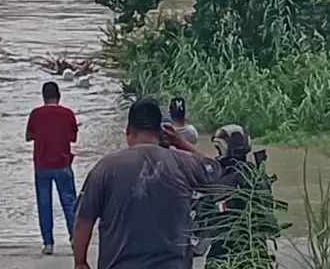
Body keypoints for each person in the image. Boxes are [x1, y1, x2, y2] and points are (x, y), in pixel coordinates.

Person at [72, 98, 221, 269]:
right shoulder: (182, 163)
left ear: (128, 130)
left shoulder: (105, 168)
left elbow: (83, 221)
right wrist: (181, 143)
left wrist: (80, 262)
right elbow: (216, 173)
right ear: (161, 132)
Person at [197, 124, 283, 268]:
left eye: (218, 149)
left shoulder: (225, 180)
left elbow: (206, 221)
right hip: (256, 251)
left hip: (225, 252)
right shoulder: (256, 176)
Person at [26, 80, 79, 255]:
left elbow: (29, 136)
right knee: (69, 202)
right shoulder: (68, 114)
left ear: (43, 97)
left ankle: (48, 243)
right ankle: (75, 239)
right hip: (63, 163)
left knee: (44, 203)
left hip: (42, 165)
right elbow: (73, 138)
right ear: (59, 96)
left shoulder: (36, 114)